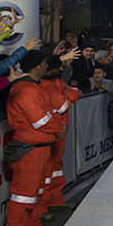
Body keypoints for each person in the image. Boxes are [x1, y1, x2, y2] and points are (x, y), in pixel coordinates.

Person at [6, 50, 67, 226]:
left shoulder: (32, 87)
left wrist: (56, 128)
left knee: (32, 194)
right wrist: (58, 129)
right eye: (44, 63)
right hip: (30, 150)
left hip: (38, 148)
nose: (47, 66)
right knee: (23, 196)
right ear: (36, 66)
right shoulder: (26, 90)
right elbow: (40, 120)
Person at [36, 53, 81, 216]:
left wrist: (68, 94)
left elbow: (76, 92)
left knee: (55, 167)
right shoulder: (44, 84)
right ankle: (42, 206)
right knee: (46, 170)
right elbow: (62, 105)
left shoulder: (56, 80)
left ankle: (54, 199)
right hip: (52, 130)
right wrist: (69, 95)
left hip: (60, 130)